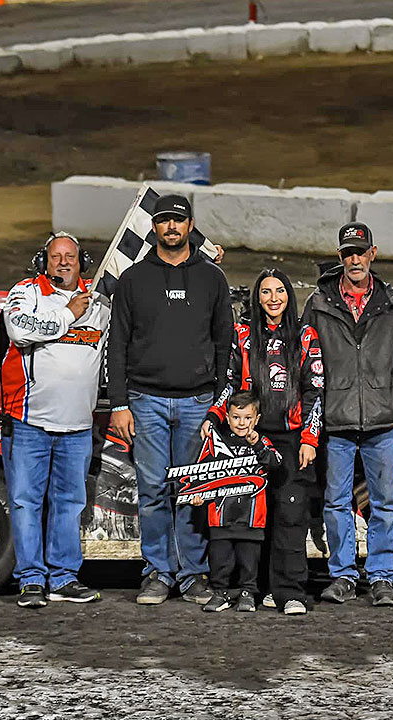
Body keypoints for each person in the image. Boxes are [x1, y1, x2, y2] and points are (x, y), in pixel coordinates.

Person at [107, 194, 234, 606]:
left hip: (199, 403)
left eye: (178, 221)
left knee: (194, 490)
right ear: (155, 228)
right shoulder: (134, 279)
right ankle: (158, 572)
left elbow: (224, 342)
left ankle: (194, 575)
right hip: (146, 402)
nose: (171, 228)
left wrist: (218, 401)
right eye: (164, 221)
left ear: (190, 225)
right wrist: (120, 404)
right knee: (154, 490)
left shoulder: (212, 278)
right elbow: (118, 346)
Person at [301, 222, 393, 608]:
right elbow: (304, 357)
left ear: (373, 253)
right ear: (340, 258)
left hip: (381, 420)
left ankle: (383, 577)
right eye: (347, 253)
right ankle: (343, 576)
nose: (354, 259)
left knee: (384, 502)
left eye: (360, 251)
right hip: (335, 421)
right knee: (336, 502)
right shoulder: (318, 304)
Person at [201, 268, 323, 616]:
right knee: (251, 517)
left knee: (290, 513)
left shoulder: (306, 335)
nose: (273, 298)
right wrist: (215, 416)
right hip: (247, 438)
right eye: (266, 292)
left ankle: (290, 592)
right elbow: (227, 383)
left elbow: (315, 391)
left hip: (291, 440)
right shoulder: (242, 335)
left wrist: (310, 439)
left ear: (289, 295)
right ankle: (252, 589)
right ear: (256, 297)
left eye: (280, 291)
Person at [0, 231, 109, 608]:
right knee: (26, 502)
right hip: (30, 422)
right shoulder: (25, 292)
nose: (63, 262)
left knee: (69, 504)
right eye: (56, 256)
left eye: (71, 256)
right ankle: (31, 580)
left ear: (82, 262)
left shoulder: (101, 299)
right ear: (43, 261)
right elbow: (19, 329)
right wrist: (68, 314)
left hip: (78, 425)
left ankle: (62, 578)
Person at [188, 391, 282, 613]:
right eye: (236, 417)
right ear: (227, 418)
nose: (242, 423)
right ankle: (220, 592)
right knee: (220, 559)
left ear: (257, 419)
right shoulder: (215, 443)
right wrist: (197, 494)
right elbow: (200, 473)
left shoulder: (263, 441)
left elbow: (275, 463)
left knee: (249, 560)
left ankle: (248, 592)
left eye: (248, 418)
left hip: (251, 517)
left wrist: (257, 445)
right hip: (220, 516)